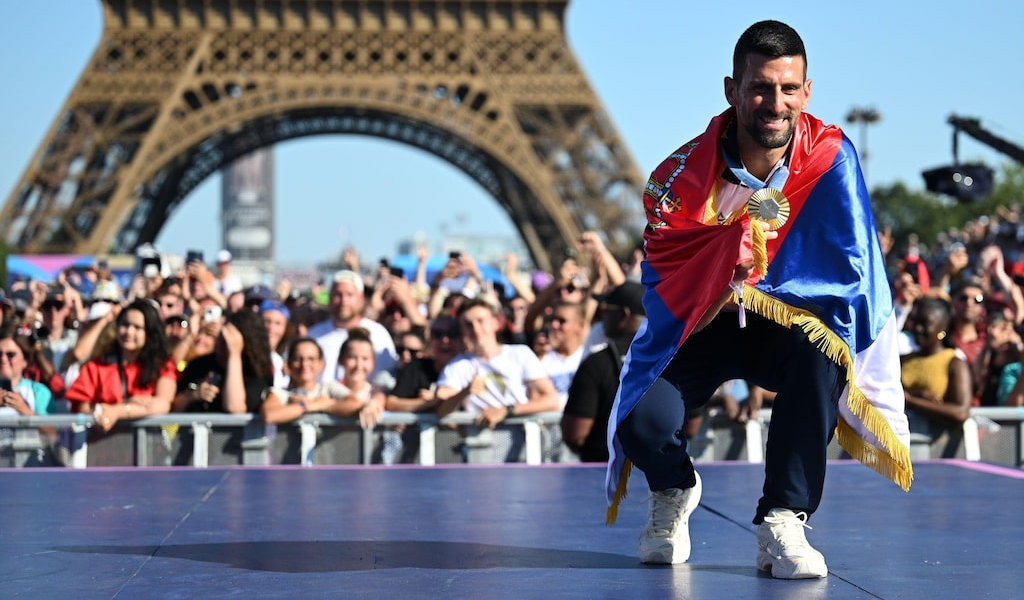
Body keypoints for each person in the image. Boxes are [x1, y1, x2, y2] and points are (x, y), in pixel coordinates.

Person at [604, 21, 912, 579]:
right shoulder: (676, 178)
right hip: (702, 324)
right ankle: (674, 488)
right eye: (760, 88)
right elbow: (668, 287)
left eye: (788, 89)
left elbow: (852, 273)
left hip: (788, 327)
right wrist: (729, 268)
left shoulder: (831, 159)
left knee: (824, 355)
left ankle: (783, 517)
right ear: (732, 90)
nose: (776, 103)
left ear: (807, 91)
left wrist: (750, 272)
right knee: (641, 417)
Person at [435, 298, 559, 462]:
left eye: (481, 321)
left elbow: (551, 400)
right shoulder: (457, 365)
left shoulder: (520, 354)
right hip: (479, 454)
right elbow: (441, 408)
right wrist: (464, 392)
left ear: (496, 323)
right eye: (468, 324)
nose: (475, 328)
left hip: (524, 452)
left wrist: (507, 410)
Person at [64, 299, 178, 435]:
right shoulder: (97, 366)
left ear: (149, 332)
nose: (129, 332)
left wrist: (117, 411)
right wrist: (126, 404)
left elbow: (162, 404)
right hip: (103, 447)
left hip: (149, 447)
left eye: (137, 327)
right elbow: (83, 408)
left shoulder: (162, 364)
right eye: (125, 324)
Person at [561, 281, 646, 462]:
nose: (603, 317)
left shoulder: (597, 363)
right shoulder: (672, 359)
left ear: (624, 314)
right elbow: (692, 426)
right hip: (660, 477)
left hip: (603, 474)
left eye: (606, 310)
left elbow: (575, 434)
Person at [172, 309, 274, 414]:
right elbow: (172, 407)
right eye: (221, 335)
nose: (221, 342)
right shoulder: (199, 364)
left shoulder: (257, 371)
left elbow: (234, 408)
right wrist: (192, 395)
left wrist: (234, 355)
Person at [308, 270, 397, 383]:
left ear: (361, 299)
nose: (343, 301)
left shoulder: (378, 334)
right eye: (338, 295)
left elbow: (386, 379)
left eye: (350, 295)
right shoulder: (313, 335)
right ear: (330, 298)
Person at [901, 298, 973, 435]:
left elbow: (961, 412)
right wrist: (917, 394)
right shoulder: (902, 360)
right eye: (915, 322)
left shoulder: (954, 362)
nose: (917, 328)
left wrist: (912, 401)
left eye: (925, 324)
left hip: (935, 449)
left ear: (943, 328)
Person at [259, 337, 367, 425]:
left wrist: (323, 406)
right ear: (288, 364)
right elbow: (269, 415)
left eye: (311, 359)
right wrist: (312, 406)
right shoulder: (280, 393)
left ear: (321, 364)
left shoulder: (329, 388)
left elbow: (356, 405)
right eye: (297, 359)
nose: (304, 365)